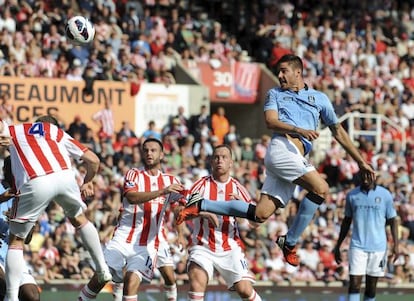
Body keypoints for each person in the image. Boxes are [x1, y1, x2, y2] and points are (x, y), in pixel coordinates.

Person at [176, 54, 376, 267]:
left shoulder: (319, 99)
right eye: (278, 72)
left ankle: (201, 204)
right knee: (322, 189)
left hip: (296, 156)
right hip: (282, 149)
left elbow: (338, 132)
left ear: (297, 72)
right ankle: (289, 242)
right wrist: (298, 129)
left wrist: (361, 162)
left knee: (260, 214)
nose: (279, 75)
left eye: (284, 71)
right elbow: (271, 121)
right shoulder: (275, 94)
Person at [1, 115, 112, 301]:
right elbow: (93, 160)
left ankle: (11, 297)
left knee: (16, 240)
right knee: (80, 219)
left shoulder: (17, 129)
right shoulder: (57, 132)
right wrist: (88, 181)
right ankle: (102, 269)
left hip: (36, 180)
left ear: (36, 124)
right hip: (65, 178)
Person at [78, 138, 185, 301]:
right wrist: (162, 191)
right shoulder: (134, 174)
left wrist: (181, 233)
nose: (149, 153)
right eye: (146, 150)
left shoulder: (171, 181)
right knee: (101, 277)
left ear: (162, 154)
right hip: (123, 238)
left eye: (153, 150)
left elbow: (180, 207)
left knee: (133, 281)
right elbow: (132, 197)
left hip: (149, 243)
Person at [178, 144, 262, 301]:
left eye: (224, 157)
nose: (219, 160)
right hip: (202, 246)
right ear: (211, 161)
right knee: (197, 284)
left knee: (244, 290)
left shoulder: (239, 189)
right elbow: (180, 213)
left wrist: (243, 211)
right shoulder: (200, 185)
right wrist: (203, 213)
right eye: (216, 157)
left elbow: (256, 224)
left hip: (230, 248)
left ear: (231, 162)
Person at [333, 175, 399, 301]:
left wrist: (396, 245)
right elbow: (346, 221)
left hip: (379, 247)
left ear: (373, 176)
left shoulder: (385, 195)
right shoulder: (352, 195)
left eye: (368, 176)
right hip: (357, 246)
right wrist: (338, 245)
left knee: (371, 287)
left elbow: (393, 220)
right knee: (354, 284)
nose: (365, 179)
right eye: (362, 176)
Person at [0, 156, 40, 301]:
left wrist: (20, 223)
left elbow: (27, 239)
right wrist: (1, 199)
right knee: (1, 284)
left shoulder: (27, 195)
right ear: (5, 170)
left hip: (13, 253)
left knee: (32, 296)